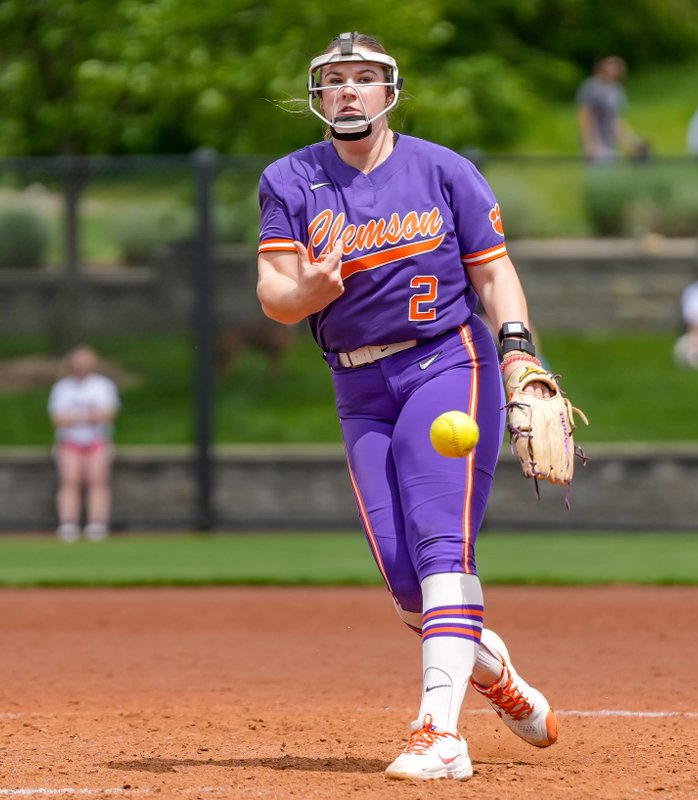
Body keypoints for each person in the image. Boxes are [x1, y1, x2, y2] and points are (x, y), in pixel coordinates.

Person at [256, 32, 583, 782]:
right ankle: (496, 675)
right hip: (358, 388)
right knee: (407, 586)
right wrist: (309, 292)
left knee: (442, 548)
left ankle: (439, 734)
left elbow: (495, 275)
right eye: (335, 79)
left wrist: (518, 350)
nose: (348, 90)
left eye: (363, 78)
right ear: (317, 95)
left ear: (388, 92)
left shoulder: (443, 170)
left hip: (446, 363)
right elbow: (275, 294)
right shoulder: (288, 179)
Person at [47, 345, 119, 541]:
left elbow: (107, 414)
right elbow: (58, 418)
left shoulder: (103, 386)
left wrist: (77, 416)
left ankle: (97, 523)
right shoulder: (62, 387)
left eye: (86, 361)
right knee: (69, 481)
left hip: (96, 441)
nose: (82, 365)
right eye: (78, 361)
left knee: (97, 481)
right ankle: (68, 523)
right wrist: (88, 416)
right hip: (69, 442)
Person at [575, 55, 645, 163]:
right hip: (595, 145)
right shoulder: (591, 87)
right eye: (612, 64)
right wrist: (589, 143)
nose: (617, 68)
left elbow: (615, 120)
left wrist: (630, 141)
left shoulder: (617, 90)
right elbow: (584, 115)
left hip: (609, 145)